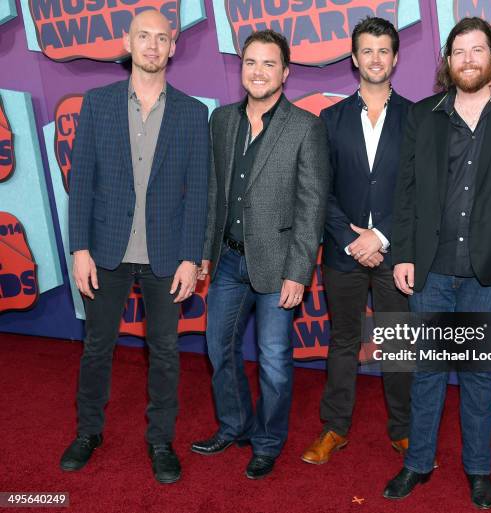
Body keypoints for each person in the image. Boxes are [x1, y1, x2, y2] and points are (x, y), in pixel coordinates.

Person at [386, 16, 491, 509]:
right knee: (429, 369)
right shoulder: (425, 114)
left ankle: (478, 469)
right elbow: (407, 192)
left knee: (477, 374)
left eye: (478, 50)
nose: (469, 60)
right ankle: (418, 464)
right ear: (448, 62)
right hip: (431, 268)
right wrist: (404, 254)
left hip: (488, 269)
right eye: (459, 52)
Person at [61, 10, 209, 484]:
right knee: (97, 347)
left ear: (173, 46)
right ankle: (88, 432)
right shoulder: (98, 103)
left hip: (166, 255)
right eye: (143, 37)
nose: (151, 46)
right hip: (104, 250)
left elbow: (199, 191)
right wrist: (78, 248)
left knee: (165, 351)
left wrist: (191, 256)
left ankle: (160, 439)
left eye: (160, 38)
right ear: (128, 42)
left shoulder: (192, 112)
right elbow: (81, 181)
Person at [191, 30, 330, 479]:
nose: (258, 71)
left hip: (278, 264)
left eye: (269, 64)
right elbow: (215, 192)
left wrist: (299, 273)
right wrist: (206, 252)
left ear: (285, 73)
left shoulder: (305, 127)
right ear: (241, 67)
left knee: (273, 360)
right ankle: (235, 424)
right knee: (219, 348)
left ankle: (268, 441)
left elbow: (312, 207)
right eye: (251, 62)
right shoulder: (222, 121)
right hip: (228, 260)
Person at [301, 17, 413, 465]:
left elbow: (417, 189)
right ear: (354, 59)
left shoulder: (417, 117)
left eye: (383, 50)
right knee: (343, 341)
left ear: (396, 58)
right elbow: (318, 189)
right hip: (344, 253)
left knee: (400, 342)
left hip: (396, 252)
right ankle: (334, 428)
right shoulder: (329, 119)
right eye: (367, 50)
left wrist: (380, 236)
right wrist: (352, 240)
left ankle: (405, 431)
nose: (375, 58)